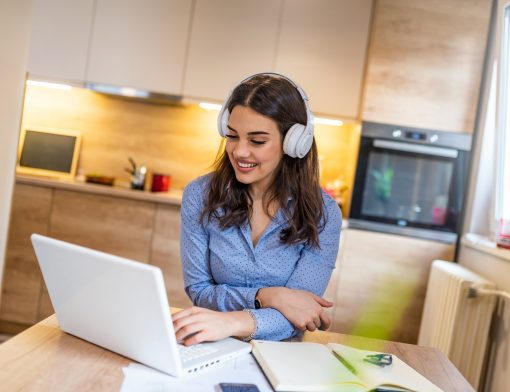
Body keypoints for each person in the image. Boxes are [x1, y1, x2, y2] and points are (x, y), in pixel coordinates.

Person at [173, 73, 342, 345]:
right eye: (232, 136)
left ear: (293, 143)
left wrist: (234, 321)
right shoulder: (200, 195)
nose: (239, 152)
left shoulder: (324, 214)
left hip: (280, 351)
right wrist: (268, 296)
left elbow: (301, 312)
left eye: (257, 141)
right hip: (212, 344)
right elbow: (200, 290)